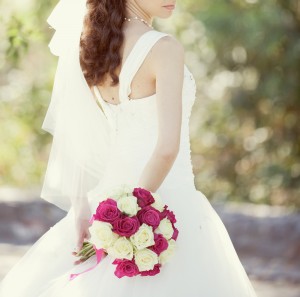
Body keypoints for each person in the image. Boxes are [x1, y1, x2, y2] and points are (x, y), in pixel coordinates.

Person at [0, 0, 258, 296]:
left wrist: (82, 207)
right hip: (163, 198)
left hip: (105, 203)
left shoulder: (93, 47)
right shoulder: (164, 48)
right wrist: (132, 215)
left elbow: (76, 134)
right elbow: (165, 149)